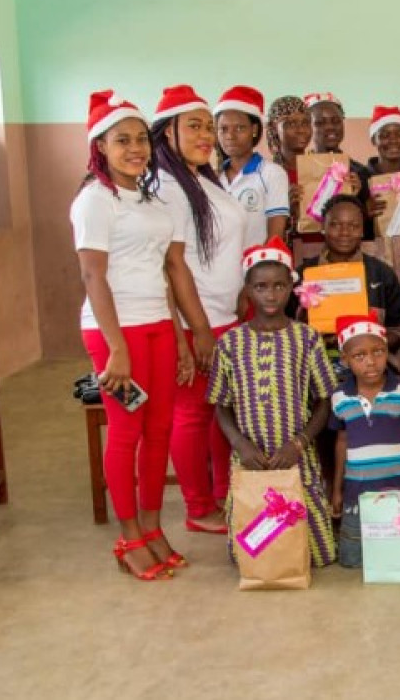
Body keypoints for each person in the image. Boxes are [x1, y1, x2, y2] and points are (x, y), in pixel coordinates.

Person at [73, 90, 181, 581]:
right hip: (115, 332)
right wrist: (116, 347)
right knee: (127, 431)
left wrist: (178, 334)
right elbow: (94, 277)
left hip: (158, 323)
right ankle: (129, 535)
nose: (135, 148)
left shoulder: (152, 198)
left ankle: (154, 528)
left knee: (159, 430)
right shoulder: (95, 201)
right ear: (100, 146)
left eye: (141, 139)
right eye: (122, 140)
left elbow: (164, 269)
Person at [152, 85, 249, 535]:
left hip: (224, 314)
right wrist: (198, 331)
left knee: (218, 411)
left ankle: (221, 494)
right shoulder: (167, 185)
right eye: (193, 125)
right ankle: (197, 506)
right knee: (192, 414)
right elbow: (171, 268)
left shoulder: (201, 177)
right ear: (166, 130)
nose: (206, 134)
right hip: (201, 320)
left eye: (209, 125)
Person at [209, 238, 339, 567]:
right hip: (249, 455)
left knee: (317, 554)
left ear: (291, 289)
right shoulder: (230, 343)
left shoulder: (306, 338)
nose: (271, 295)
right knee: (251, 551)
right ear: (248, 291)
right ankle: (261, 555)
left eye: (280, 286)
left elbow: (324, 399)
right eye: (261, 287)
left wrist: (299, 442)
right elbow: (220, 404)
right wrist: (239, 443)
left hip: (296, 453)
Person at [328, 312, 400, 568]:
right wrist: (336, 490)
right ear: (345, 360)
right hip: (358, 491)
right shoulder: (340, 397)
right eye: (359, 356)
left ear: (386, 350)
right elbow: (341, 442)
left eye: (378, 352)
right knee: (353, 560)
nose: (371, 362)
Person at [298, 196, 400, 374]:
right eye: (335, 225)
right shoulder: (304, 275)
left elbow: (399, 330)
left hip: (372, 369)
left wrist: (366, 343)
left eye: (353, 225)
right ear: (322, 228)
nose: (345, 232)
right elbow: (288, 330)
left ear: (363, 231)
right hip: (316, 368)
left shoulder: (381, 274)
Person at [215, 85, 290, 246]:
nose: (230, 136)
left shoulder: (272, 173)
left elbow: (275, 238)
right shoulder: (213, 178)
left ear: (254, 129)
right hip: (219, 269)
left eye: (239, 128)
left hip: (255, 267)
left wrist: (261, 267)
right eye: (223, 129)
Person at [304, 92, 371, 225]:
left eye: (336, 121)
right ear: (308, 127)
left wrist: (358, 198)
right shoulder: (298, 169)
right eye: (320, 123)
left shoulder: (360, 172)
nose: (330, 127)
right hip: (306, 243)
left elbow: (366, 227)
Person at [362, 105, 400, 226]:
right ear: (374, 140)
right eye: (384, 135)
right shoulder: (361, 178)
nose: (393, 140)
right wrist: (363, 211)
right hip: (372, 244)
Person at [264, 95, 312, 235]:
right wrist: (284, 208)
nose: (301, 130)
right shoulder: (268, 174)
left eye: (305, 122)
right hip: (283, 252)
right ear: (274, 129)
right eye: (290, 124)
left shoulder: (324, 169)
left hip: (322, 251)